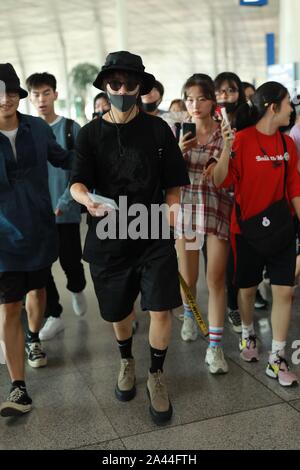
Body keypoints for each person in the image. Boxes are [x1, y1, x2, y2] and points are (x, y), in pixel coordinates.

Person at [70, 51, 190, 424]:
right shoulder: (90, 134)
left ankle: (156, 373)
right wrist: (86, 200)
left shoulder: (158, 131)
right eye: (115, 83)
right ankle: (126, 360)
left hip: (153, 230)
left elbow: (174, 184)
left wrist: (171, 213)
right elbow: (77, 182)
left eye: (129, 83)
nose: (121, 90)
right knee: (118, 313)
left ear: (141, 87)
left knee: (160, 308)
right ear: (106, 86)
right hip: (108, 235)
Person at [213, 81, 300, 387]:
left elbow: (294, 189)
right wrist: (226, 148)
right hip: (246, 230)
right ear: (272, 107)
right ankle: (248, 334)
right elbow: (221, 181)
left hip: (282, 231)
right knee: (247, 290)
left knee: (284, 291)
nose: (292, 109)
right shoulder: (240, 141)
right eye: (289, 103)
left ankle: (277, 358)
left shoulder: (288, 145)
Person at [0, 64, 72, 417]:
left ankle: (33, 337)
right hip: (3, 240)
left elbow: (65, 159)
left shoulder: (37, 129)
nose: (5, 98)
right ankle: (18, 387)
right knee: (9, 305)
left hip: (41, 229)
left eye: (11, 92)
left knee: (39, 292)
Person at [177, 73, 232, 374]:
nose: (194, 104)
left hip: (215, 208)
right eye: (189, 98)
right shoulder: (178, 132)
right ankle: (189, 314)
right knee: (189, 276)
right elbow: (167, 175)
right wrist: (177, 153)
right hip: (185, 210)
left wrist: (227, 148)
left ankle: (215, 348)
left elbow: (222, 179)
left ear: (212, 100)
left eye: (200, 98)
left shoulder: (224, 133)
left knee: (215, 278)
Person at [26, 72, 87, 341]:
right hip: (36, 213)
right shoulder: (24, 130)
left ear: (55, 95)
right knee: (41, 267)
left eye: (46, 93)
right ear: (29, 98)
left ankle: (77, 288)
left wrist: (64, 202)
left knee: (70, 261)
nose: (41, 99)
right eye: (36, 94)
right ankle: (55, 314)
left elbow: (79, 169)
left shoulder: (72, 129)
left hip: (66, 210)